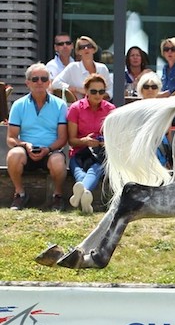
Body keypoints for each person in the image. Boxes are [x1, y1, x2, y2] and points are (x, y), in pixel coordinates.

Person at [6, 63, 68, 210]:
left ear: (49, 82)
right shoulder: (18, 105)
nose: (39, 82)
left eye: (43, 78)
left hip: (51, 151)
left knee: (59, 162)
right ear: (27, 83)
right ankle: (20, 194)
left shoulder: (60, 105)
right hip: (25, 152)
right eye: (35, 79)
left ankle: (57, 196)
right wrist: (25, 145)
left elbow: (62, 139)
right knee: (13, 154)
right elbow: (11, 138)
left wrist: (48, 149)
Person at [67, 74, 115, 214]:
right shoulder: (76, 108)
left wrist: (103, 142)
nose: (98, 95)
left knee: (96, 167)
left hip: (100, 154)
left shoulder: (111, 109)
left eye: (101, 91)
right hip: (79, 153)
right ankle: (85, 193)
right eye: (94, 91)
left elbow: (114, 138)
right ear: (86, 91)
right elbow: (71, 140)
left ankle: (81, 193)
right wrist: (84, 141)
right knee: (78, 169)